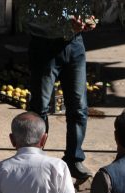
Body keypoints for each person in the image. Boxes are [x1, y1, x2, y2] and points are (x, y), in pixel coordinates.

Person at [23, 0, 97, 179]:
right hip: (45, 46)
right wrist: (67, 21)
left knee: (79, 108)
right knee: (40, 109)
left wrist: (87, 19)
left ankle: (74, 159)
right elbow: (29, 14)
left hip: (74, 43)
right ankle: (35, 161)